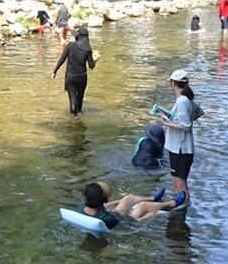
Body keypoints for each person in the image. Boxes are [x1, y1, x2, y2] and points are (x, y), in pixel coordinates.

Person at [158, 69, 195, 202]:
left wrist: (165, 123)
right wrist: (168, 118)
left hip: (181, 148)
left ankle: (182, 210)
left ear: (174, 83)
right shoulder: (186, 100)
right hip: (179, 148)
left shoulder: (182, 101)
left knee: (180, 186)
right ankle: (179, 211)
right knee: (176, 183)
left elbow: (186, 125)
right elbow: (193, 115)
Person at [82, 181, 186, 228]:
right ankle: (171, 204)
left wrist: (120, 201)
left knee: (127, 199)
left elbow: (104, 205)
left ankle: (154, 198)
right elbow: (131, 222)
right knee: (143, 206)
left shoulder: (83, 207)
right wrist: (146, 217)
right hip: (120, 219)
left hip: (110, 214)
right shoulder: (108, 219)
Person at [53, 26, 95, 115]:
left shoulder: (70, 46)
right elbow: (91, 66)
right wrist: (95, 59)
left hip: (70, 77)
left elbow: (62, 60)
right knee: (80, 98)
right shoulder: (88, 50)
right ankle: (78, 115)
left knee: (72, 98)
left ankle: (74, 115)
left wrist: (54, 71)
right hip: (82, 78)